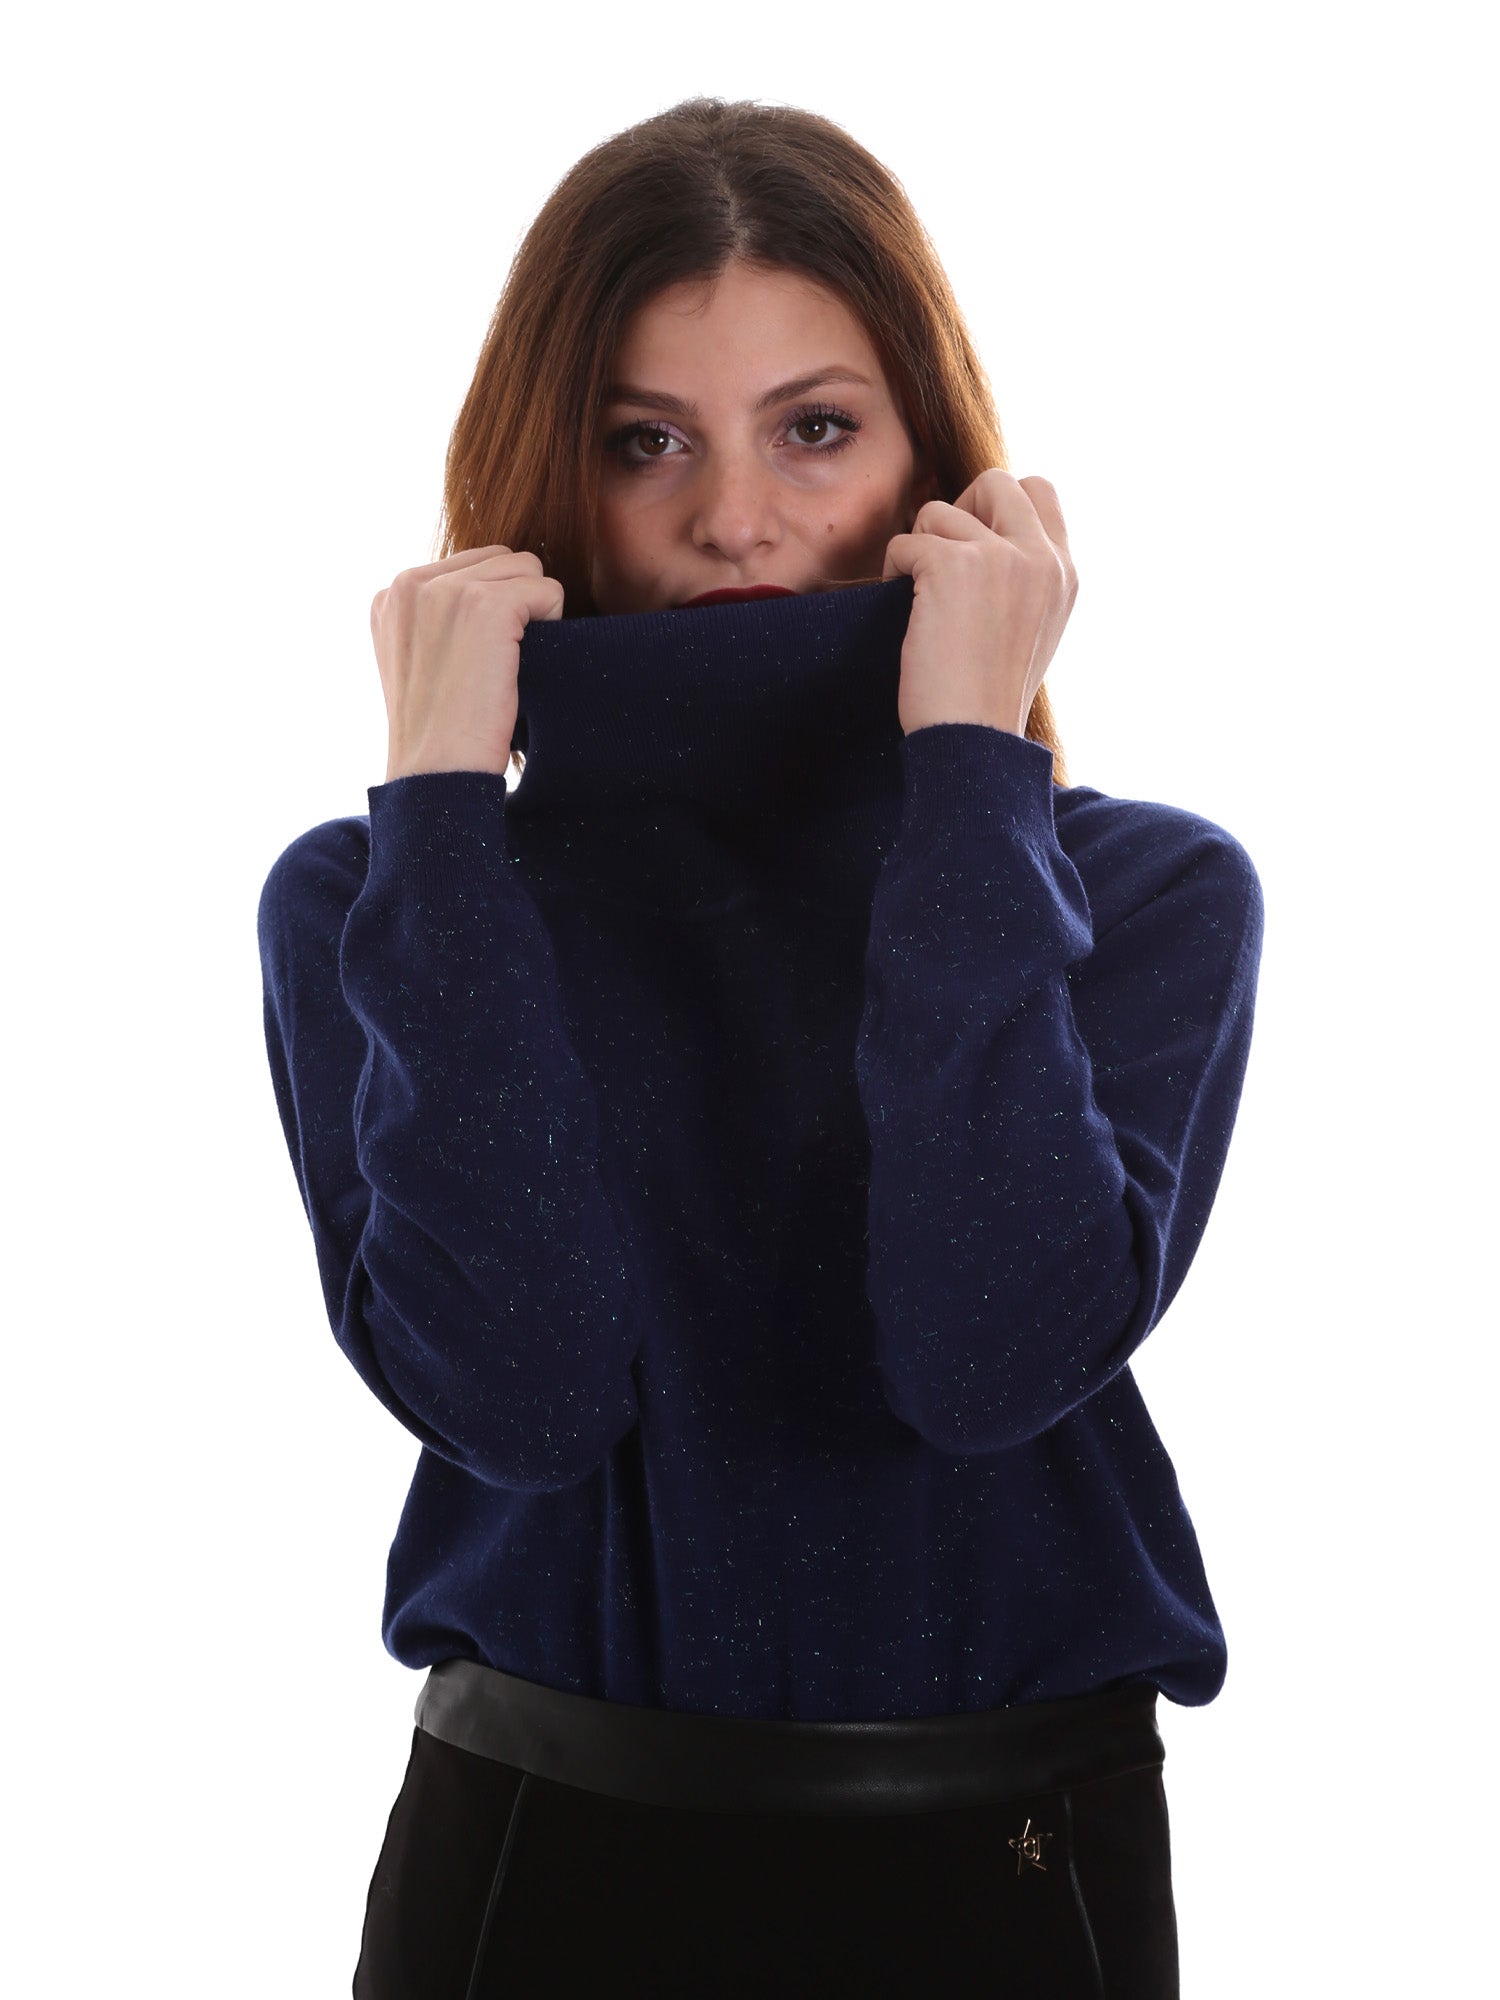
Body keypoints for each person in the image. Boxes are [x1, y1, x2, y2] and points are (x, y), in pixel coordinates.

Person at [257, 96, 1264, 1998]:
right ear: (552, 477)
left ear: (934, 465)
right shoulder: (384, 896)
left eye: (815, 429)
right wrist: (439, 815)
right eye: (645, 440)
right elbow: (519, 1399)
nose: (734, 517)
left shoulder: (1138, 892)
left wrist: (970, 770)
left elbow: (989, 1355)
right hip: (540, 1861)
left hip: (1005, 1866)